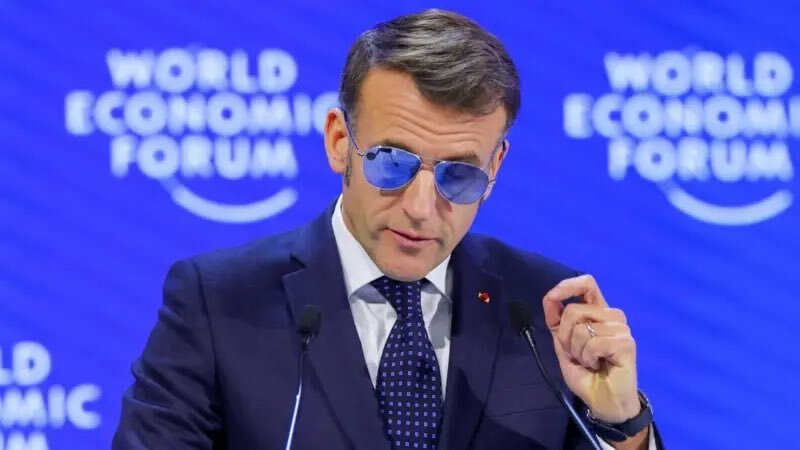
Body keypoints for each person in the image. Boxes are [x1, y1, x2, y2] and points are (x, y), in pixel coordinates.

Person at [113, 9, 664, 450]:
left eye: (459, 175)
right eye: (392, 162)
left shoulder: (543, 313)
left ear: (495, 167)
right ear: (339, 141)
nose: (421, 208)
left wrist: (622, 424)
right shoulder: (220, 303)